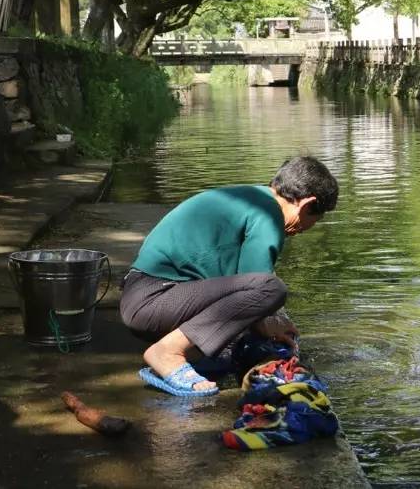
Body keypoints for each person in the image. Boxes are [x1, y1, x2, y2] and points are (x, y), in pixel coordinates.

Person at [120, 156, 339, 397]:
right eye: (313, 220)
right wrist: (270, 321)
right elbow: (262, 286)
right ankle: (167, 352)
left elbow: (242, 287)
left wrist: (268, 320)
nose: (301, 231)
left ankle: (184, 356)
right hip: (154, 300)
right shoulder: (268, 214)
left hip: (148, 297)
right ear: (307, 204)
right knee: (273, 289)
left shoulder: (251, 199)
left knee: (240, 340)